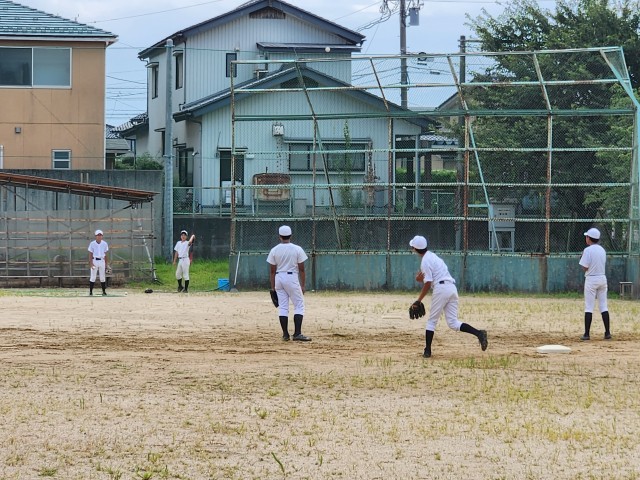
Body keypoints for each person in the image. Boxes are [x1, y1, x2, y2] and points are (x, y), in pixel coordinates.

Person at [409, 235, 488, 358]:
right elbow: (431, 278)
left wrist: (418, 301)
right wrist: (420, 279)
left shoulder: (425, 261)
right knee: (453, 323)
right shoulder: (433, 257)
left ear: (415, 248)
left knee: (431, 321)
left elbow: (428, 283)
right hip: (451, 288)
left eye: (412, 247)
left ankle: (427, 351)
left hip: (441, 289)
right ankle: (479, 333)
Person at [267, 225, 311, 341]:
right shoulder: (297, 249)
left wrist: (273, 287)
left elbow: (272, 271)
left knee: (283, 307)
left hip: (279, 277)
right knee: (299, 305)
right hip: (291, 277)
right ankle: (297, 334)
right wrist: (303, 285)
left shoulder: (274, 250)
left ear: (280, 236)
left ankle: (285, 334)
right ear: (291, 236)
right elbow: (301, 269)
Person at [579, 227, 611, 340]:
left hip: (591, 279)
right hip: (602, 278)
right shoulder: (602, 250)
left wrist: (582, 257)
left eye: (587, 237)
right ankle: (607, 332)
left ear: (589, 238)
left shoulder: (587, 250)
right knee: (603, 306)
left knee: (589, 307)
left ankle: (587, 334)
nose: (586, 238)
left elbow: (585, 267)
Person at [88, 229, 109, 296]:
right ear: (95, 236)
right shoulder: (92, 244)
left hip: (102, 261)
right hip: (95, 260)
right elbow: (90, 254)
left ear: (102, 236)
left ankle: (104, 291)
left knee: (102, 277)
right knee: (93, 277)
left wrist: (106, 264)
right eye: (98, 235)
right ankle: (90, 291)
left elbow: (105, 254)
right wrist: (91, 263)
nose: (99, 236)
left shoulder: (104, 244)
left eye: (100, 235)